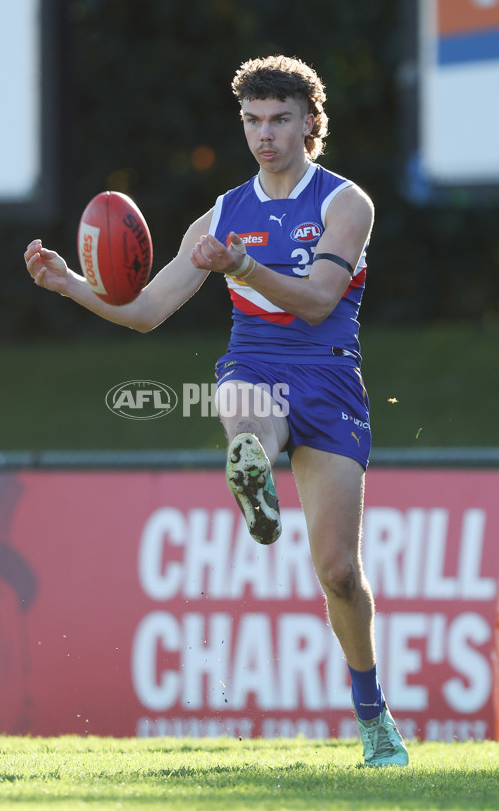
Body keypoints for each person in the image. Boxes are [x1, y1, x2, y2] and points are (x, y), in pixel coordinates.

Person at [24, 54, 408, 767]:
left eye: (280, 120)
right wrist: (69, 283)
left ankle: (373, 713)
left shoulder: (345, 202)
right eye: (253, 121)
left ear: (309, 124)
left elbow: (322, 297)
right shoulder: (225, 212)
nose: (265, 135)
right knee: (240, 402)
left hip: (329, 381)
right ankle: (251, 464)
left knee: (339, 572)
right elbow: (144, 310)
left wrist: (242, 268)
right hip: (255, 364)